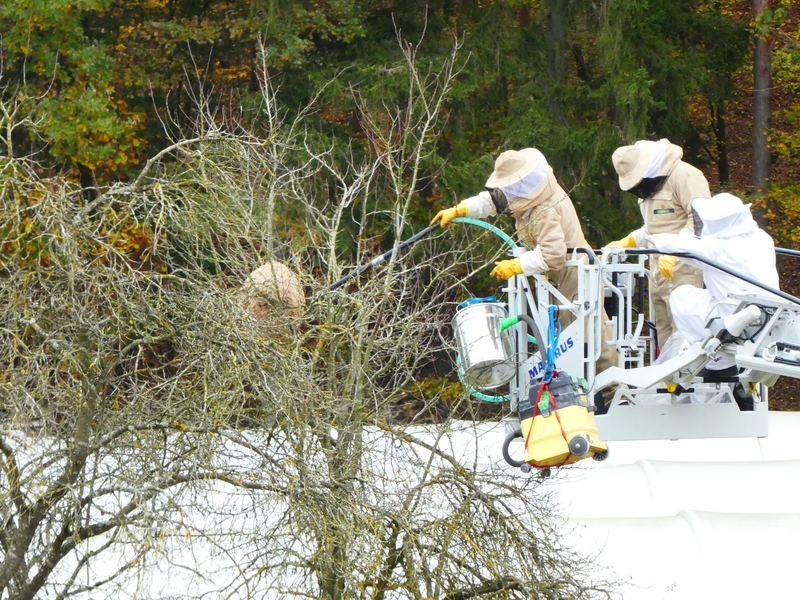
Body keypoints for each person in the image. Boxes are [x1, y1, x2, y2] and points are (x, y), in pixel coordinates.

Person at [431, 147, 618, 384]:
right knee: (565, 338)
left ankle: (608, 392)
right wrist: (460, 209)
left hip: (575, 275)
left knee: (586, 337)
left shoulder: (544, 209)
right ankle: (575, 392)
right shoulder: (527, 192)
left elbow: (553, 254)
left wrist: (517, 264)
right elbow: (493, 201)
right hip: (559, 278)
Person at [649, 193, 779, 374]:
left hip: (735, 317)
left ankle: (713, 358)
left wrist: (653, 238)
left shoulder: (715, 249)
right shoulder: (763, 239)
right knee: (704, 298)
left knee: (681, 296)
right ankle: (719, 359)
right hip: (769, 317)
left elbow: (671, 243)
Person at [606, 138, 711, 348]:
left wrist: (676, 251)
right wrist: (629, 241)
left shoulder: (685, 176)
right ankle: (669, 380)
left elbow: (701, 221)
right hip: (657, 271)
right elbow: (655, 229)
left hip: (686, 270)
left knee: (686, 334)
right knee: (664, 337)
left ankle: (685, 381)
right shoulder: (650, 186)